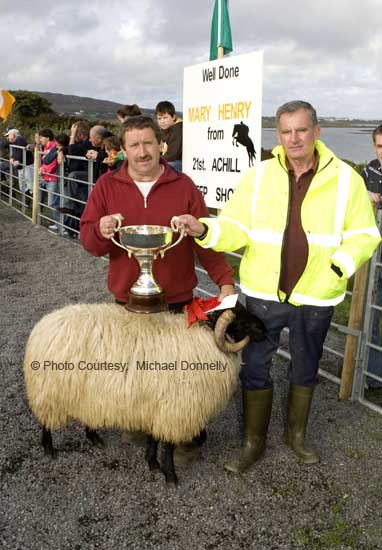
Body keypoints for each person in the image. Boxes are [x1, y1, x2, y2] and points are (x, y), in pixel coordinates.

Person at [175, 100, 381, 473]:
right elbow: (235, 226)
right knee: (255, 367)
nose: (293, 138)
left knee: (305, 367)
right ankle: (253, 443)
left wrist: (337, 269)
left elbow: (365, 236)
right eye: (285, 131)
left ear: (317, 132)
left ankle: (296, 437)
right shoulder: (259, 176)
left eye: (301, 130)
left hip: (316, 297)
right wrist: (205, 228)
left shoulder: (347, 180)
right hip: (262, 295)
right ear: (278, 135)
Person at [80, 115, 234, 310]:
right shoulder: (106, 185)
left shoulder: (184, 185)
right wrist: (100, 230)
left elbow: (204, 239)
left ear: (161, 144)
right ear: (124, 150)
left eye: (148, 143)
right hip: (126, 302)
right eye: (134, 145)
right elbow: (89, 242)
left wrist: (225, 282)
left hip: (178, 303)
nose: (142, 152)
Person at [361, 124, 382, 389]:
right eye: (379, 146)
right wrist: (363, 195)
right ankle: (373, 374)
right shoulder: (370, 170)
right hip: (374, 257)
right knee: (371, 312)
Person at [39, 129, 59, 230]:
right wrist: (42, 168)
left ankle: (60, 225)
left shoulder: (54, 145)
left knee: (53, 202)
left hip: (53, 177)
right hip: (47, 176)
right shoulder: (46, 146)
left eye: (41, 137)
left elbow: (54, 163)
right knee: (51, 201)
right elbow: (45, 161)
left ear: (47, 137)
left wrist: (43, 170)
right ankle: (57, 223)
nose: (40, 139)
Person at [4, 128, 34, 196]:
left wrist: (17, 160)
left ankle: (31, 202)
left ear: (13, 135)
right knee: (23, 186)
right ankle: (26, 201)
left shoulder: (19, 139)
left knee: (30, 184)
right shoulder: (15, 142)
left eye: (8, 135)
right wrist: (12, 158)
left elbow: (20, 152)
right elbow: (15, 152)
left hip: (27, 166)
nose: (7, 137)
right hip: (21, 166)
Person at [155, 101, 182, 171]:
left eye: (165, 118)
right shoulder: (167, 129)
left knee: (159, 168)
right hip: (173, 160)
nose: (162, 121)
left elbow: (173, 154)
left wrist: (157, 159)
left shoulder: (177, 129)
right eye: (159, 119)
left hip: (180, 161)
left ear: (173, 117)